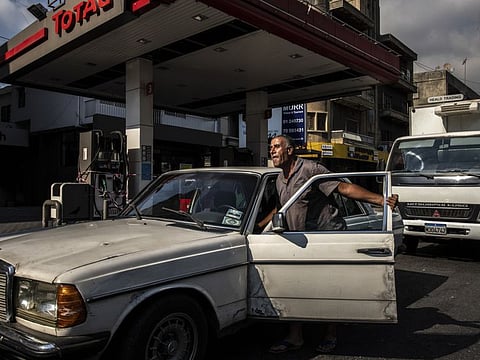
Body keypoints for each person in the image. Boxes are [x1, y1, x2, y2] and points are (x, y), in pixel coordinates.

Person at [266, 134, 398, 354]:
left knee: (328, 287)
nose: (272, 151)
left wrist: (380, 200)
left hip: (327, 237)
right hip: (298, 242)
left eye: (277, 147)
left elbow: (344, 189)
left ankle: (330, 334)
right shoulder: (280, 179)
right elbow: (280, 209)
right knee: (295, 288)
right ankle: (295, 337)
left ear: (290, 150)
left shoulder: (311, 170)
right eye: (271, 147)